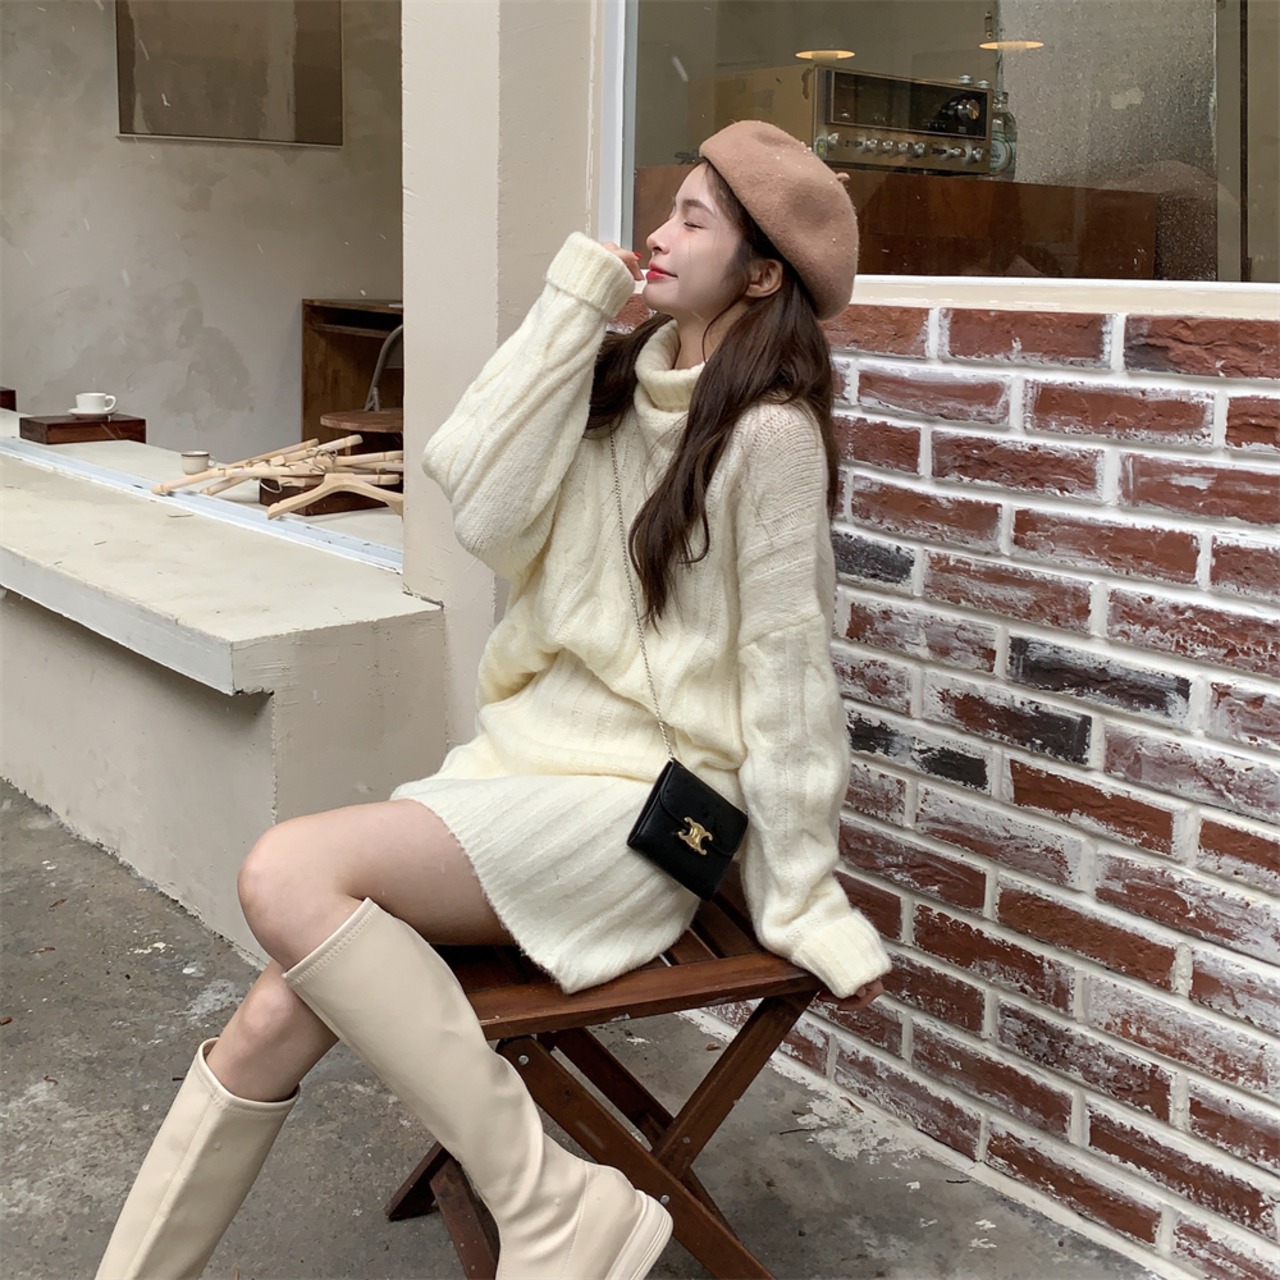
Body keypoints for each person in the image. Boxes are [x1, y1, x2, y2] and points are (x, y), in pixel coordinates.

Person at [95, 120, 891, 1280]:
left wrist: (800, 886)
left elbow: (787, 672)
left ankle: (544, 1197)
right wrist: (572, 310)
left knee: (287, 873)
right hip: (525, 773)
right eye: (666, 209)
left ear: (762, 275)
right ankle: (540, 1201)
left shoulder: (766, 435)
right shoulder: (616, 387)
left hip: (644, 810)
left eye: (693, 221)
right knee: (270, 1012)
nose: (659, 235)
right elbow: (473, 494)